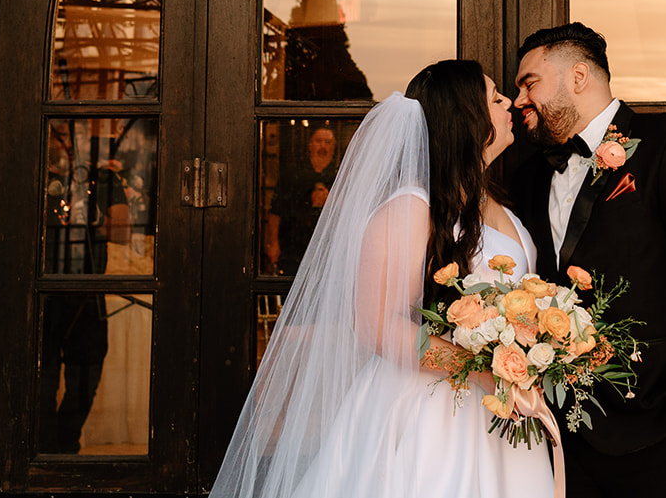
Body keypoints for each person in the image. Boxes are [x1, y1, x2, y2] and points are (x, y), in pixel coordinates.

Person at [210, 60, 554, 498]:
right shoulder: (411, 206)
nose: (510, 103)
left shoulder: (494, 199)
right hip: (432, 415)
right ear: (464, 117)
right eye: (495, 97)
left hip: (502, 410)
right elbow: (377, 324)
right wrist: (480, 368)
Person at [510, 23, 666, 498]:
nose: (519, 100)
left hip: (660, 425)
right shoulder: (529, 175)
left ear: (578, 77)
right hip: (562, 434)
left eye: (529, 82)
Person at [265, 125, 339, 274]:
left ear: (334, 147)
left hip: (330, 250)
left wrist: (333, 201)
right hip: (294, 248)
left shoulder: (342, 176)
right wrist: (274, 244)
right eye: (319, 141)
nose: (323, 146)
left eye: (328, 142)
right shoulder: (292, 174)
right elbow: (275, 211)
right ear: (310, 145)